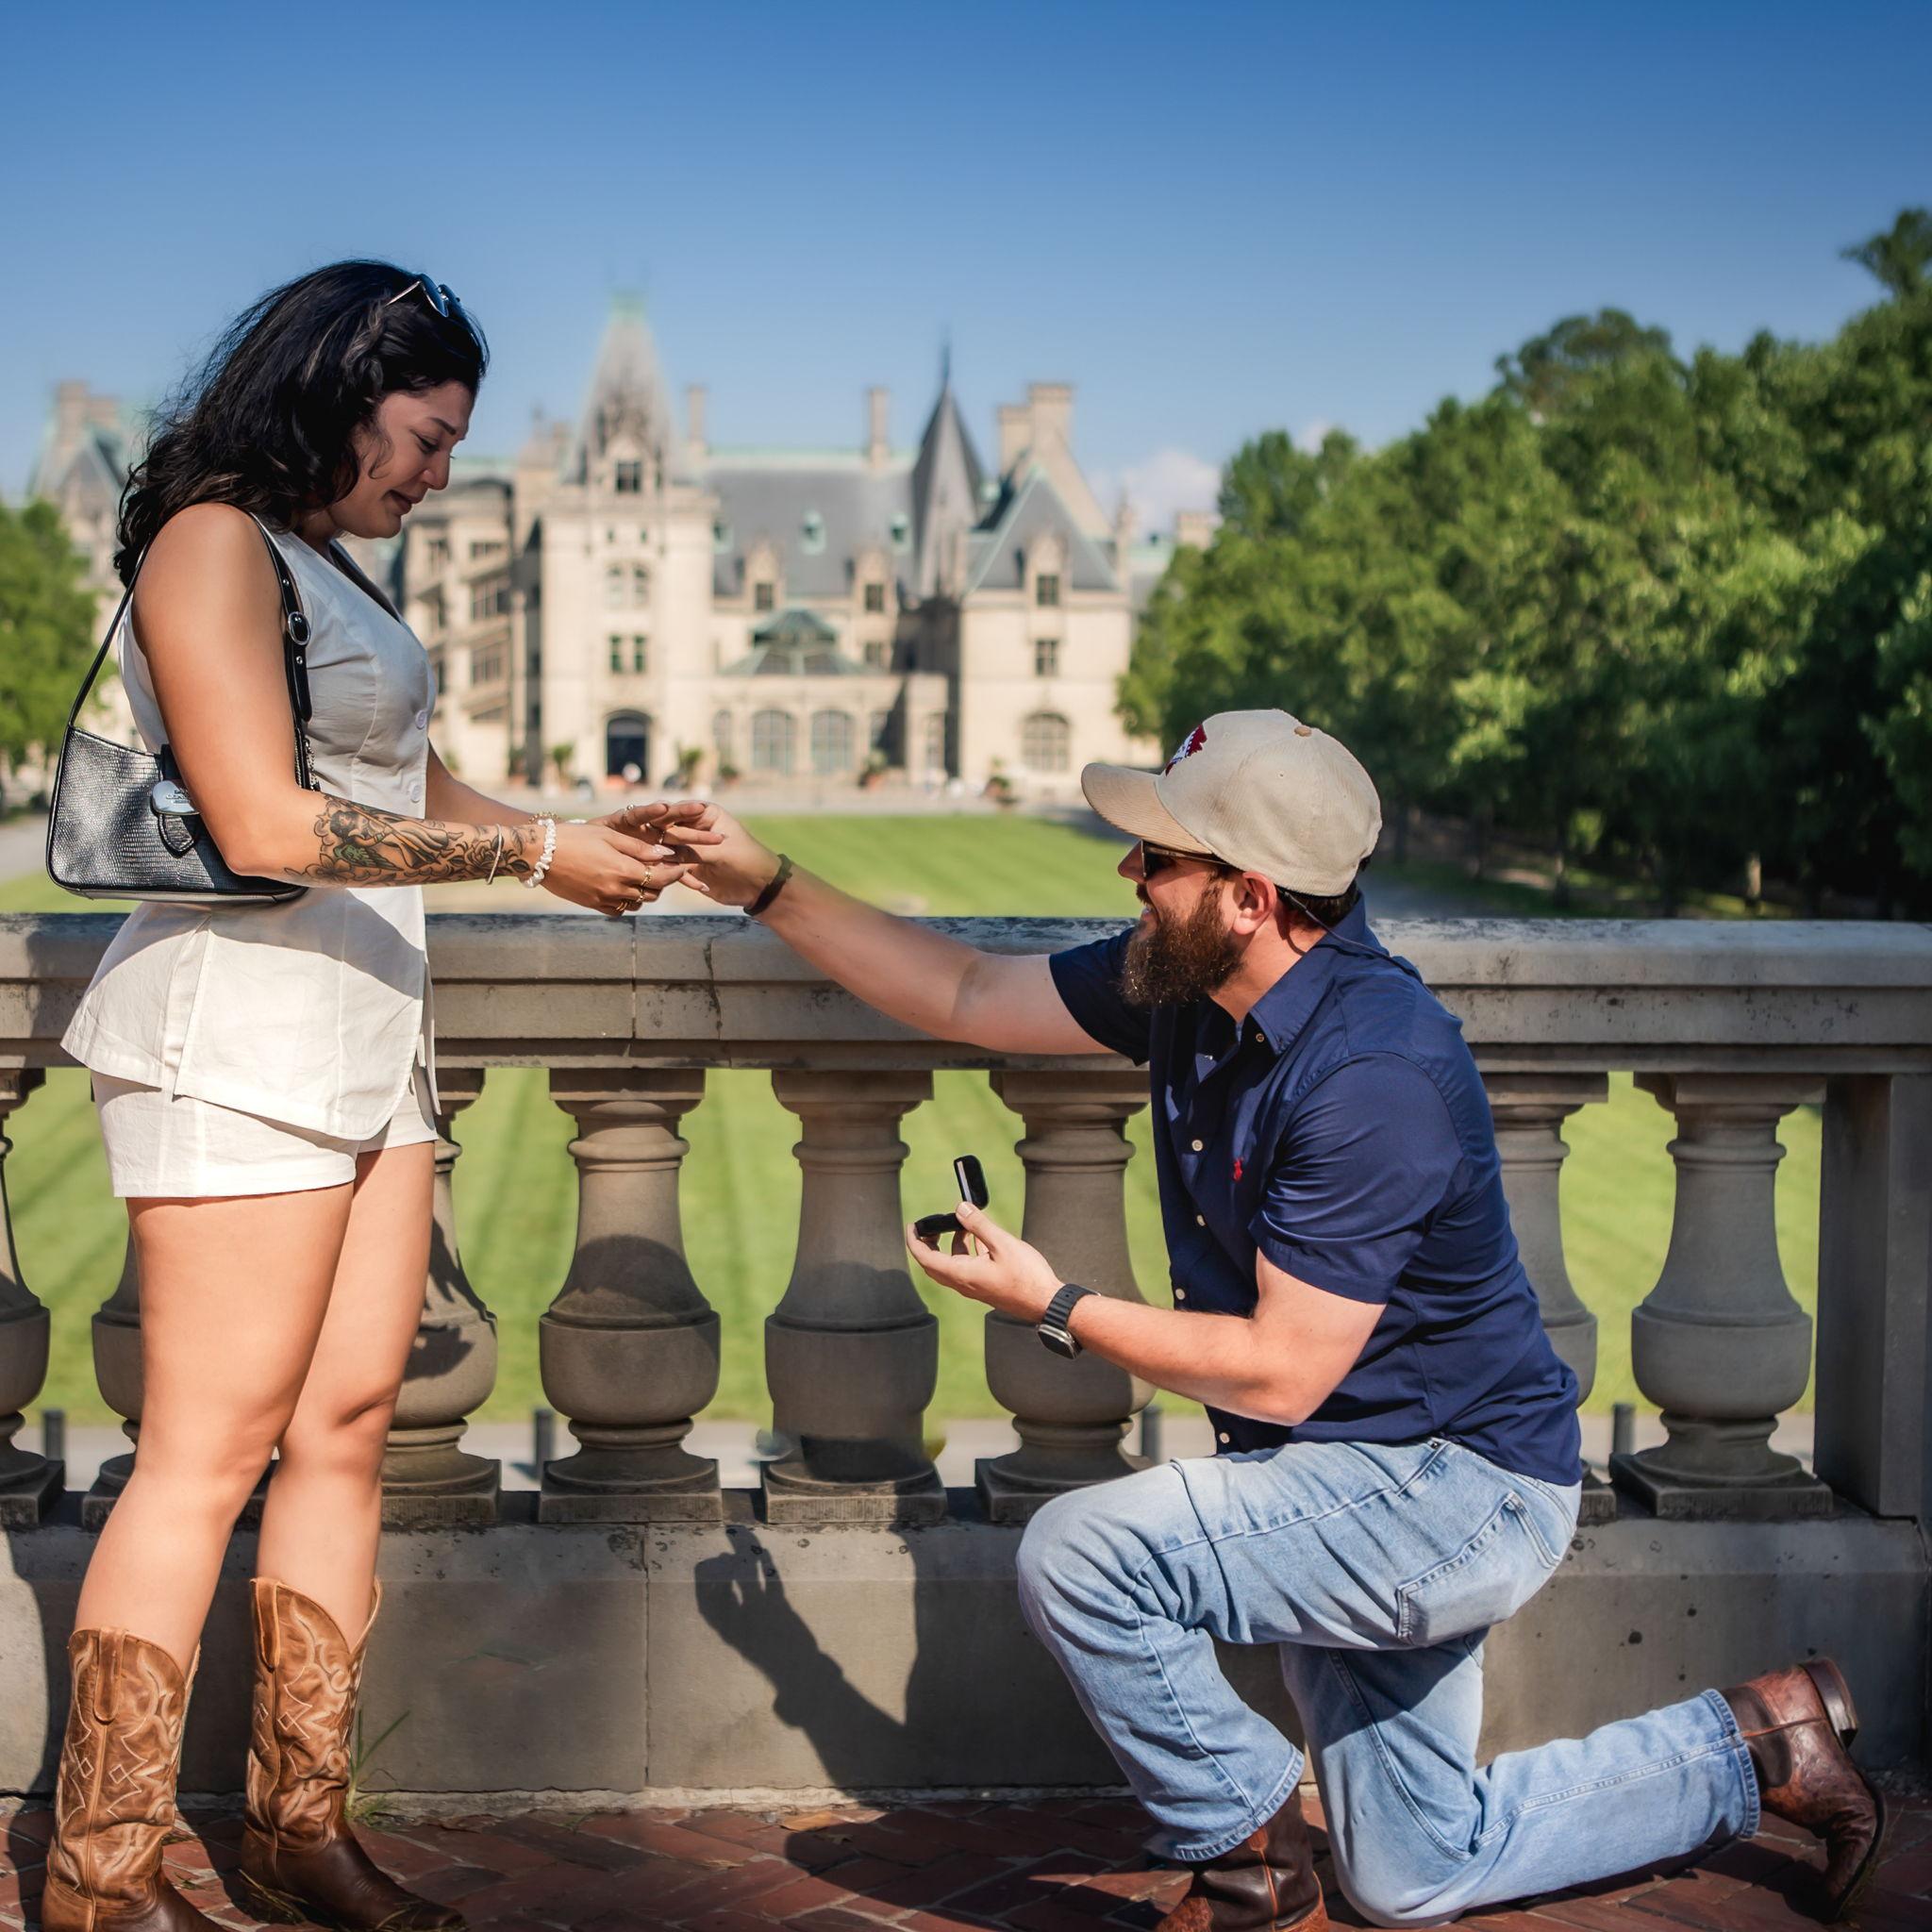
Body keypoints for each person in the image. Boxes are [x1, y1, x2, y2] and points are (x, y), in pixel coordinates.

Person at [669, 708, 1886, 1929]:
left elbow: (1280, 1374)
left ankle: (1248, 1855)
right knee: (1417, 1874)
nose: (1128, 874)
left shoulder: (1371, 1075)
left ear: (1249, 898)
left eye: (1160, 859)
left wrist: (1056, 1302)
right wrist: (760, 881)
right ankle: (1762, 1744)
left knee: (1086, 1558)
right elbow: (968, 989)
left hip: (1453, 1498)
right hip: (1350, 1480)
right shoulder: (1194, 987)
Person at [49, 261, 698, 1932]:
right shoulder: (211, 542)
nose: (436, 476)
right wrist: (527, 851)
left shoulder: (331, 573)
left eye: (453, 448)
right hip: (236, 1037)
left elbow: (395, 778)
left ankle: (296, 1831)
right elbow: (264, 828)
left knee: (345, 1431)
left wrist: (566, 848)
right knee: (205, 1453)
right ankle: (101, 1872)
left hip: (364, 1038)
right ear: (335, 396)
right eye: (420, 438)